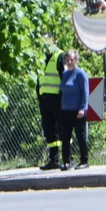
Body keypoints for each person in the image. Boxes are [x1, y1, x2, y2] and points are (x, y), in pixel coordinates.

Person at [59, 49, 90, 170]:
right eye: (67, 60)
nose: (69, 61)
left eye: (72, 59)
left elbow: (85, 92)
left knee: (80, 136)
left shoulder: (81, 74)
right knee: (65, 137)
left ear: (76, 60)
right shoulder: (65, 74)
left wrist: (82, 108)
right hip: (65, 110)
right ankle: (67, 161)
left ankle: (84, 160)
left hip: (78, 110)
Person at [37, 39, 64, 170]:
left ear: (53, 41)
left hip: (58, 98)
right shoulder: (40, 58)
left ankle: (66, 158)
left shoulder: (60, 55)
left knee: (62, 128)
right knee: (49, 129)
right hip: (45, 99)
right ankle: (53, 159)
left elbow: (65, 78)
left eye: (47, 42)